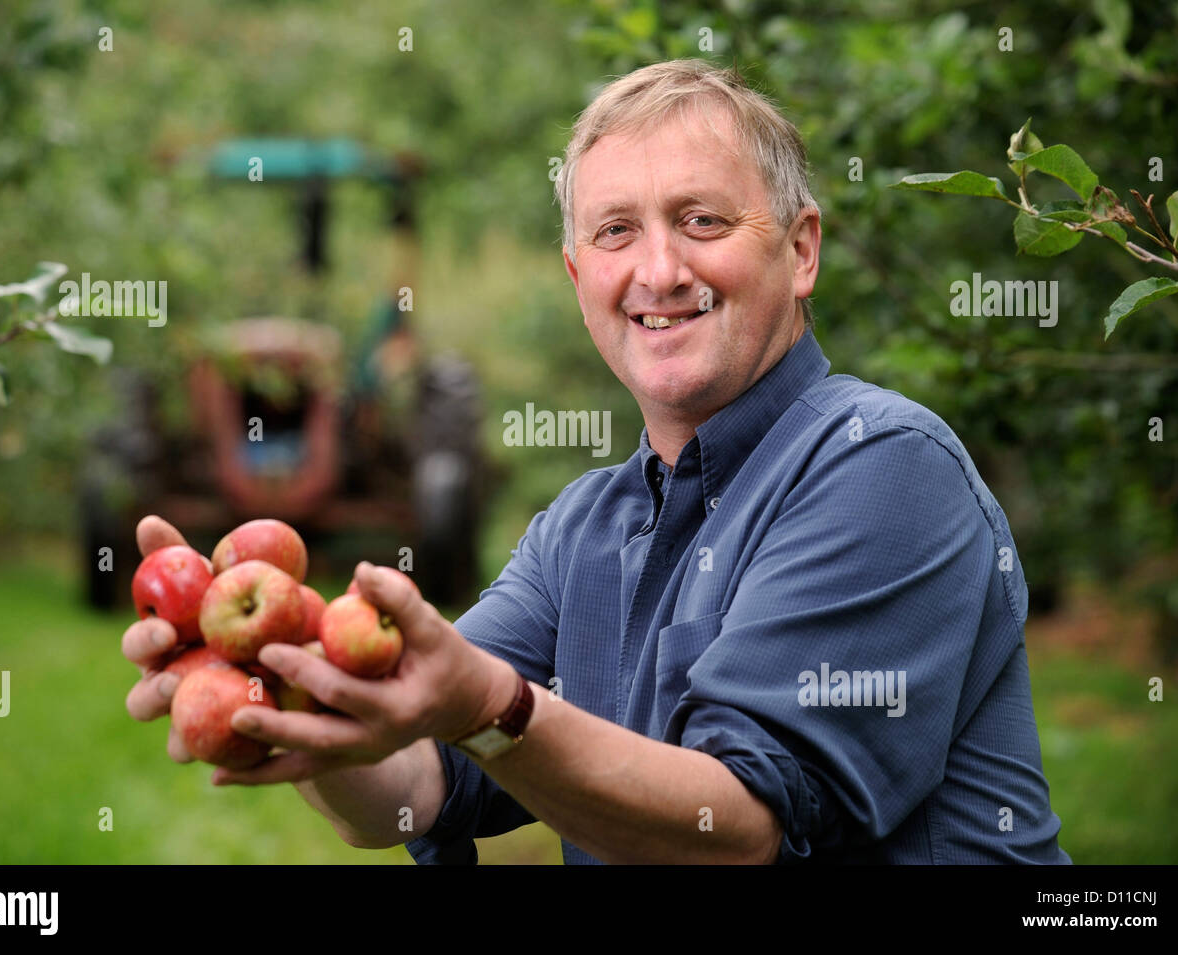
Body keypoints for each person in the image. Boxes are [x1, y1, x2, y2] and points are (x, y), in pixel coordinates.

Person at [123, 59, 1069, 864]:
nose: (658, 271)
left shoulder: (881, 467)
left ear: (802, 248)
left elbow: (740, 828)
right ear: (581, 278)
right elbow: (421, 783)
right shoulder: (583, 528)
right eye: (615, 231)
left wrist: (493, 705)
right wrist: (291, 699)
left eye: (702, 220)